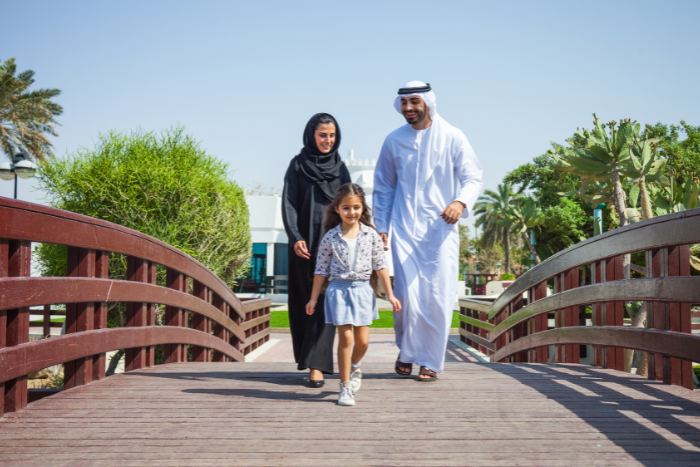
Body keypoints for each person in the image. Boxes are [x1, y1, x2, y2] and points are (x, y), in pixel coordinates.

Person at [373, 81, 483, 381]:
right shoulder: (393, 140)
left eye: (414, 102)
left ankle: (431, 361)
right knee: (406, 296)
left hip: (441, 231)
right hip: (404, 229)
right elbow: (383, 187)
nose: (408, 108)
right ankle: (407, 352)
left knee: (437, 296)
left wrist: (459, 202)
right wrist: (381, 226)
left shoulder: (452, 136)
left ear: (428, 103)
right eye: (404, 103)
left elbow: (473, 176)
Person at [306, 183, 401, 406]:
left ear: (362, 208)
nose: (352, 212)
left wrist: (390, 294)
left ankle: (355, 366)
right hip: (338, 290)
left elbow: (380, 265)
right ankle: (345, 387)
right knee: (346, 338)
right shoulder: (330, 237)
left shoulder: (371, 235)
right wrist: (313, 298)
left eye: (356, 207)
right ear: (337, 209)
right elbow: (321, 269)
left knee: (363, 343)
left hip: (362, 291)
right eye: (346, 208)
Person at [282, 113, 352, 388]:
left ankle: (318, 366)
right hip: (303, 245)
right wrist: (294, 236)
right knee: (304, 303)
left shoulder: (341, 168)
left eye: (332, 135)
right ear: (312, 134)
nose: (327, 140)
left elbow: (350, 204)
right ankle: (307, 357)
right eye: (323, 134)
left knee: (326, 301)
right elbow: (288, 202)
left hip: (333, 245)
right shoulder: (298, 165)